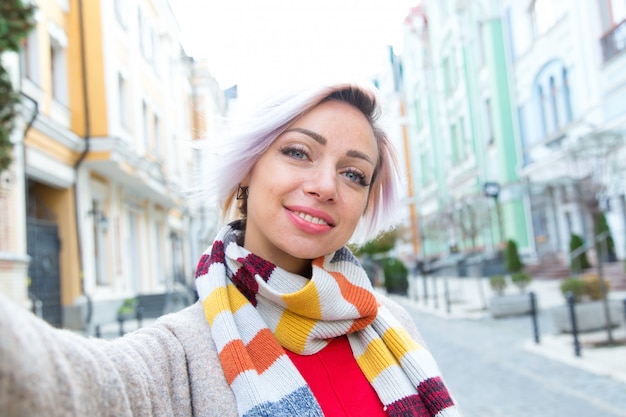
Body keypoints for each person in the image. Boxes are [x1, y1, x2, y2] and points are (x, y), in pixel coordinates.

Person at [0, 82, 460, 417]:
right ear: (247, 167)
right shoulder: (180, 352)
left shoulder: (392, 324)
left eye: (354, 174)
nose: (325, 186)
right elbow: (66, 384)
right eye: (299, 152)